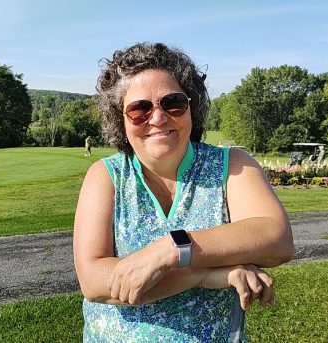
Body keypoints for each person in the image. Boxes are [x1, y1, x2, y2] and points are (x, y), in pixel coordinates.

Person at [73, 43, 294, 342]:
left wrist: (171, 249)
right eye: (140, 108)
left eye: (173, 102)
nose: (158, 117)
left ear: (192, 106)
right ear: (120, 119)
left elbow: (277, 238)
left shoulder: (232, 166)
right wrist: (202, 274)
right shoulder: (106, 176)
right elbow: (95, 281)